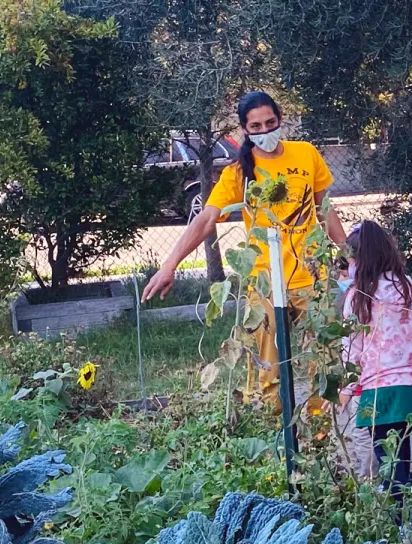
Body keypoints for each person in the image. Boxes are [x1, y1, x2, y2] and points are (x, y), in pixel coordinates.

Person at [142, 91, 347, 398]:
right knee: (268, 375)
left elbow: (324, 209)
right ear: (245, 129)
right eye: (256, 127)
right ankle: (275, 440)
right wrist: (170, 264)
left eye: (271, 122)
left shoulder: (306, 154)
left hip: (311, 280)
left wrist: (348, 253)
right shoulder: (237, 173)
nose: (265, 131)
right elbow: (206, 219)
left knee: (326, 368)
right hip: (264, 285)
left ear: (280, 120)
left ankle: (318, 440)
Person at [341, 221, 412, 501]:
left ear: (360, 259)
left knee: (383, 452)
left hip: (378, 383)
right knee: (400, 445)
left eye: (350, 259)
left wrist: (345, 388)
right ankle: (405, 497)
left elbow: (352, 347)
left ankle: (398, 523)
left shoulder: (358, 296)